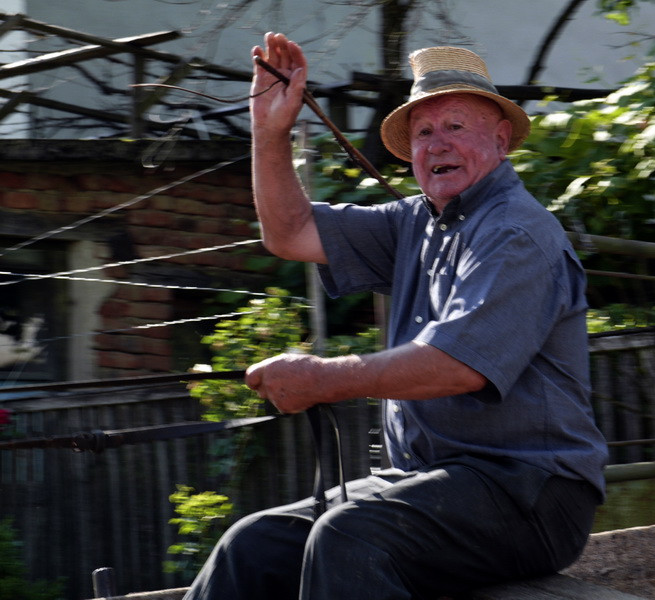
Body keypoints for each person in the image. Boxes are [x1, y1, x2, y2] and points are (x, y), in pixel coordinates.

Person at [183, 32, 608, 600]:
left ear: (501, 140)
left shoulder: (516, 233)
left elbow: (456, 366)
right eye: (424, 133)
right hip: (424, 485)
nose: (436, 146)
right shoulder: (415, 222)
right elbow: (289, 232)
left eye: (455, 127)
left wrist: (320, 379)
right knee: (251, 545)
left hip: (530, 492)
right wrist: (269, 129)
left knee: (349, 537)